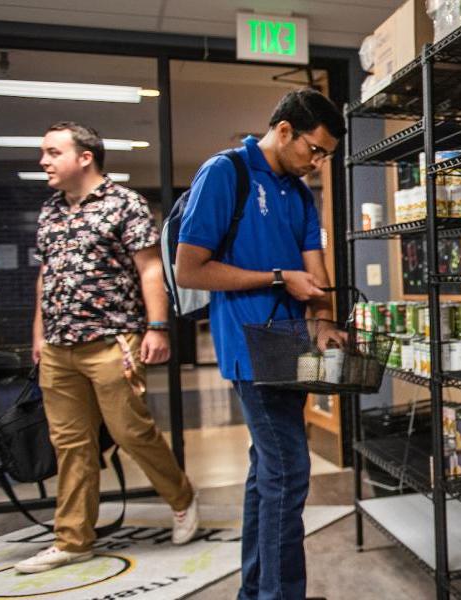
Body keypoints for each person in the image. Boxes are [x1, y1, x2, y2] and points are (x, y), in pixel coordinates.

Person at [174, 88, 347, 600]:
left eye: (326, 157)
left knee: (267, 473)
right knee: (289, 472)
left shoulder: (298, 193)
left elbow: (314, 270)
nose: (317, 164)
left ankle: (256, 591)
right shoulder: (226, 173)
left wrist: (324, 320)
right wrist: (277, 278)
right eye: (313, 150)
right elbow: (191, 269)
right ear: (285, 130)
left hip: (294, 348)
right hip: (252, 349)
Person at [19, 122, 199, 574]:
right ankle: (74, 539)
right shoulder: (50, 211)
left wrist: (157, 328)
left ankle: (182, 498)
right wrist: (39, 332)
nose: (44, 161)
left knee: (130, 432)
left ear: (85, 157)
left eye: (52, 152)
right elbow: (48, 276)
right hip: (59, 348)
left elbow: (151, 271)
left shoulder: (126, 205)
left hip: (112, 341)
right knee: (71, 444)